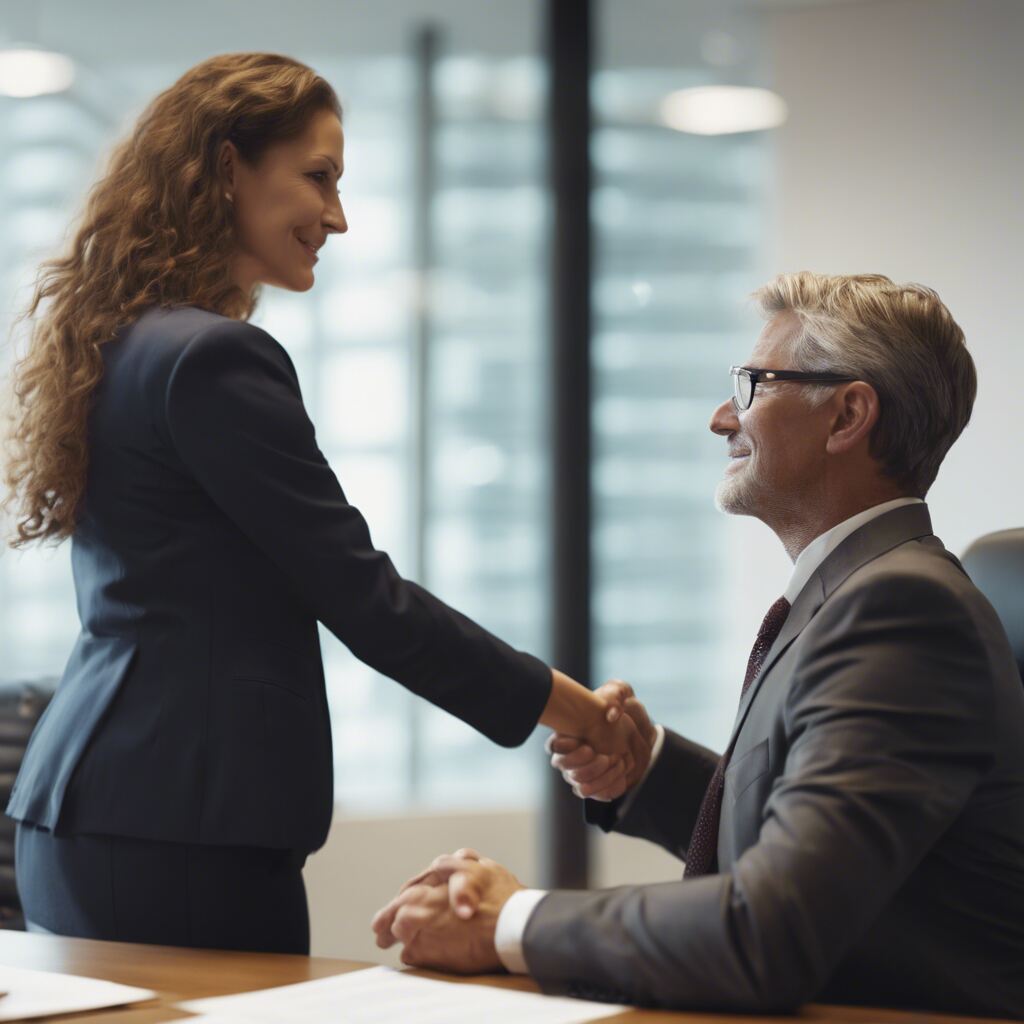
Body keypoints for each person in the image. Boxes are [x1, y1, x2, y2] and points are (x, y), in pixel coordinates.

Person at [1, 53, 644, 955]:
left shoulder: (129, 344)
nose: (336, 218)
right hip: (183, 820)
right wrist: (576, 712)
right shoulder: (214, 358)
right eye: (319, 178)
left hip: (106, 806)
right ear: (227, 168)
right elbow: (362, 598)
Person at [372, 272, 1024, 1019]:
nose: (722, 417)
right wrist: (643, 774)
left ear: (847, 415)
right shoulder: (861, 594)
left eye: (753, 385)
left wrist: (511, 922)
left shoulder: (904, 612)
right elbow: (811, 846)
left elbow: (769, 931)